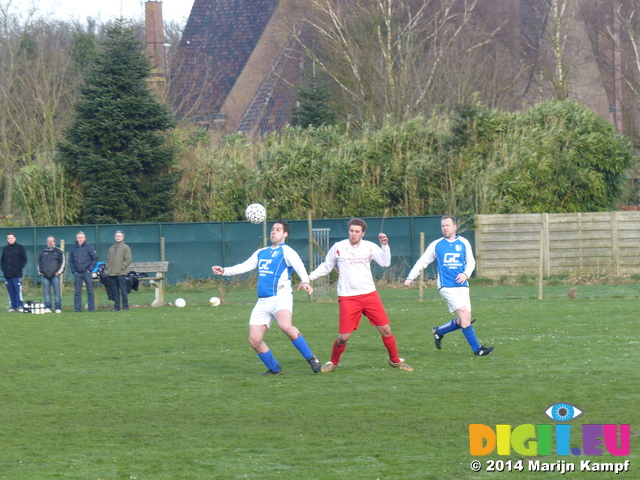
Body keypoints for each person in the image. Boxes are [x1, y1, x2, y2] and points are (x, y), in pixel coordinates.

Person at [212, 221, 321, 375]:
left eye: (278, 229)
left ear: (285, 234)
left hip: (281, 296)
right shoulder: (261, 252)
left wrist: (305, 281)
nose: (274, 232)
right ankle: (275, 369)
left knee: (285, 326)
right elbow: (244, 266)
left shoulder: (287, 251)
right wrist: (224, 271)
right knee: (254, 340)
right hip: (263, 301)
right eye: (272, 229)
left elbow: (299, 266)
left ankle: (311, 359)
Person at [305, 218, 413, 373]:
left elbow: (385, 263)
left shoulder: (369, 247)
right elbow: (326, 266)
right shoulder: (339, 247)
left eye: (357, 231)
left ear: (363, 233)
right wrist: (309, 277)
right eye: (351, 231)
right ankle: (332, 362)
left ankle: (394, 360)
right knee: (343, 337)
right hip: (348, 297)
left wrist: (385, 246)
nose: (353, 234)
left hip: (369, 295)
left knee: (386, 330)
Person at [404, 215, 493, 356]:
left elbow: (471, 262)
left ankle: (439, 331)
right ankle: (478, 350)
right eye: (442, 226)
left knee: (464, 319)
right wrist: (410, 277)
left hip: (462, 285)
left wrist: (466, 274)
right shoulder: (436, 244)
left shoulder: (464, 242)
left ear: (454, 226)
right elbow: (422, 262)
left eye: (447, 225)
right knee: (464, 314)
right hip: (446, 286)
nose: (445, 228)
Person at [69, 231, 98, 312]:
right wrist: (73, 271)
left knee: (90, 291)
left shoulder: (90, 247)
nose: (80, 239)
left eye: (82, 238)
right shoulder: (73, 249)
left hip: (87, 272)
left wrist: (90, 269)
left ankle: (91, 308)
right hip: (77, 273)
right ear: (76, 239)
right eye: (79, 238)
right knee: (77, 292)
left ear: (85, 238)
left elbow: (95, 258)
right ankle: (77, 308)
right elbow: (71, 261)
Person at [37, 236, 65, 313]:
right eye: (49, 241)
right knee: (46, 293)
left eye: (52, 241)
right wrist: (40, 272)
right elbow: (39, 262)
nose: (50, 242)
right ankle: (48, 307)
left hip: (55, 275)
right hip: (45, 276)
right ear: (47, 242)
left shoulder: (59, 251)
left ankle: (58, 308)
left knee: (57, 292)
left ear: (54, 242)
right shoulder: (43, 252)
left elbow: (63, 262)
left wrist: (59, 272)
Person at [106, 230, 132, 311]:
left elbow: (128, 259)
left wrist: (122, 267)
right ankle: (116, 307)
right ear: (114, 237)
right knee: (114, 291)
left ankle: (125, 306)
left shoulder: (126, 247)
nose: (118, 237)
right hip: (112, 273)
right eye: (117, 236)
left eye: (119, 236)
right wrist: (108, 267)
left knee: (123, 290)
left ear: (123, 237)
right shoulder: (111, 248)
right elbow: (108, 259)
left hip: (121, 273)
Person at [1, 233, 27, 312]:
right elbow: (2, 260)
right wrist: (3, 268)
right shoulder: (5, 249)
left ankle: (20, 305)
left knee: (17, 289)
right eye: (8, 238)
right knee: (10, 290)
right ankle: (13, 306)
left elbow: (24, 259)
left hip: (16, 274)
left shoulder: (20, 248)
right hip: (7, 274)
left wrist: (18, 268)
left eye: (11, 238)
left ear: (15, 238)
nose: (10, 240)